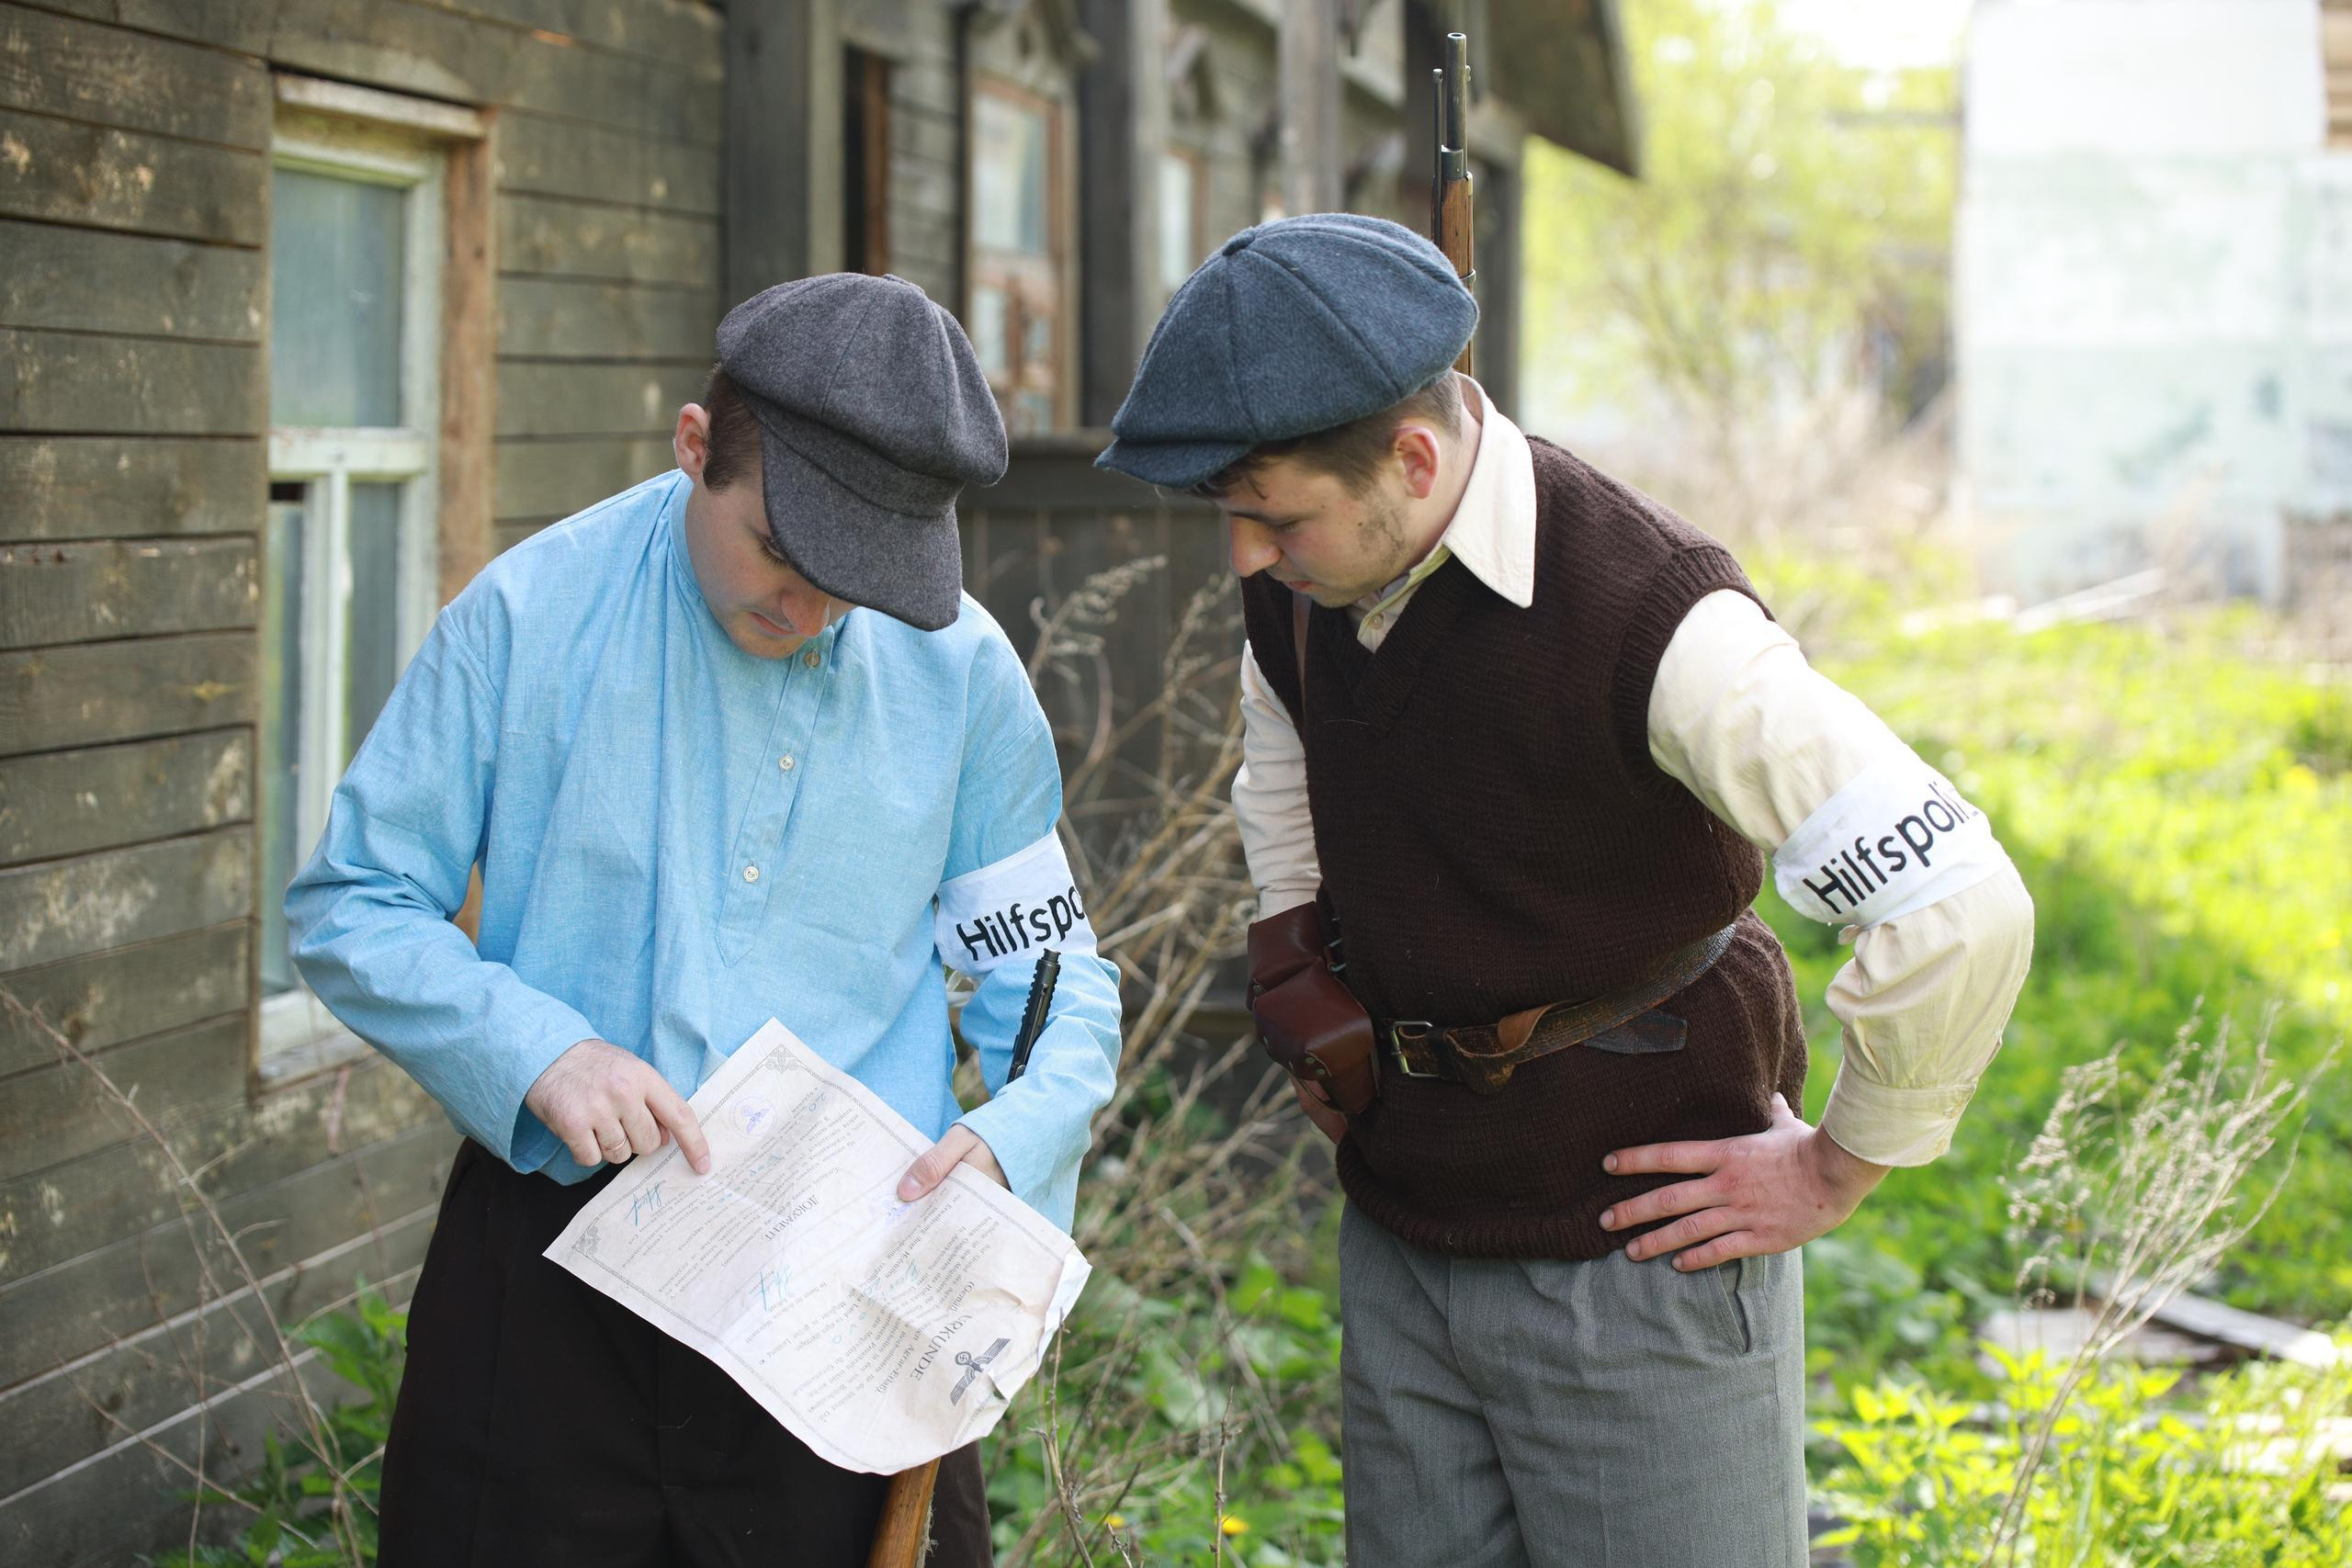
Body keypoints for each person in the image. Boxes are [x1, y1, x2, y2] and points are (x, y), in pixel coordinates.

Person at [1094, 213, 2035, 1567]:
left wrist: (1840, 1167)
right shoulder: (1298, 587)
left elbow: (1955, 898)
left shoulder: (1662, 622)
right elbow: (1285, 760)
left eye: (1272, 517)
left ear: (1413, 462)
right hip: (1405, 1222)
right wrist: (1301, 962)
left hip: (1641, 1252)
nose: (1245, 557)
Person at [287, 272, 1123, 1568]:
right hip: (554, 1274)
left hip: (849, 1296)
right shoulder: (523, 616)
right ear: (694, 449)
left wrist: (1013, 1140)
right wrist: (537, 1051)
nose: (812, 611)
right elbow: (356, 902)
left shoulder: (961, 671)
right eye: (786, 558)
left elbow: (1049, 973)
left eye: (864, 581)